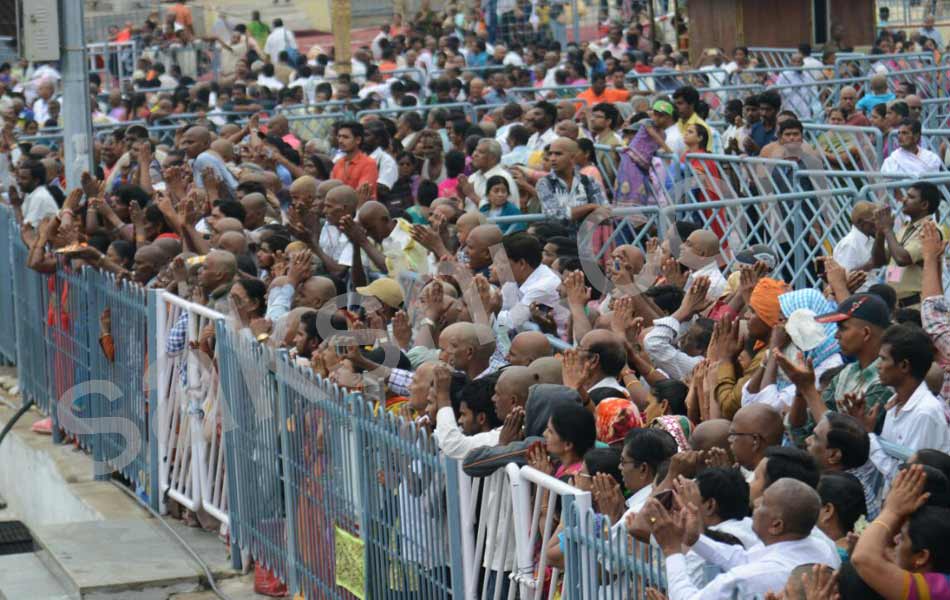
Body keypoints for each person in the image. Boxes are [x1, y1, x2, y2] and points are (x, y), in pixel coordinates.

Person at [647, 478, 840, 600]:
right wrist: (695, 539)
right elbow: (743, 558)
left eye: (763, 502)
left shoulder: (751, 578)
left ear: (776, 525)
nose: (755, 503)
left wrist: (672, 550)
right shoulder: (821, 544)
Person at [842, 323, 950, 481]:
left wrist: (870, 436)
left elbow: (906, 478)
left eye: (883, 359)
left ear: (904, 366)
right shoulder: (894, 405)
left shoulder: (925, 412)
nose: (878, 366)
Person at [852, 464, 950, 600]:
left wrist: (892, 510)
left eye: (897, 494)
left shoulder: (941, 589)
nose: (889, 499)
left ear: (921, 557)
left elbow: (863, 559)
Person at [871, 182, 948, 309]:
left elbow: (902, 259)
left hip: (916, 305)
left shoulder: (930, 230)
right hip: (897, 305)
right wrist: (880, 234)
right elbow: (878, 261)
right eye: (906, 196)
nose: (903, 200)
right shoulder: (905, 227)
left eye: (911, 197)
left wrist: (888, 230)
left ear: (924, 205)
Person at [807, 412, 884, 520]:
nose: (807, 440)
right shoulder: (850, 481)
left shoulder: (836, 494)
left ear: (834, 455)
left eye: (815, 438)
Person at [535, 137, 607, 223]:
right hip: (555, 235)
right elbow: (555, 214)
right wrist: (589, 207)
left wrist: (576, 212)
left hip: (585, 235)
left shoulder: (589, 181)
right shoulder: (544, 183)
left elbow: (604, 213)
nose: (552, 158)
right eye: (550, 154)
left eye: (558, 154)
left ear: (572, 157)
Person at [330, 122, 378, 199]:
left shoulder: (368, 163)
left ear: (358, 140)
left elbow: (362, 194)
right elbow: (331, 191)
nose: (340, 141)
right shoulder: (338, 163)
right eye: (339, 136)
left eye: (345, 137)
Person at [11, 160, 57, 226]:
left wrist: (16, 206)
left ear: (36, 181)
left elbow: (26, 230)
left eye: (23, 178)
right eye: (19, 178)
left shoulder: (39, 197)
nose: (19, 182)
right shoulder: (31, 193)